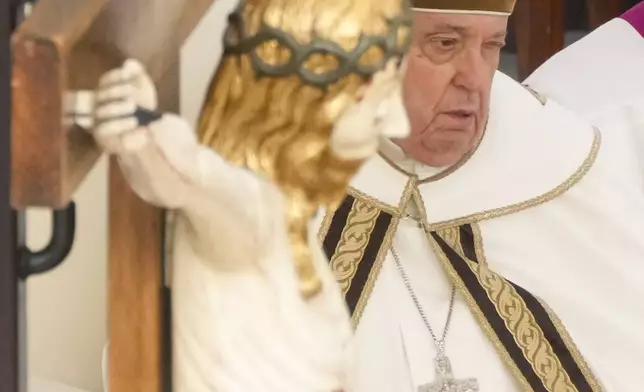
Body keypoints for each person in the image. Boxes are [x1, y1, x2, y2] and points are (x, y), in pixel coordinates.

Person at [76, 0, 412, 390]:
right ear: (309, 100)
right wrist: (138, 132)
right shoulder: (248, 213)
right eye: (380, 97)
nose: (397, 120)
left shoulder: (287, 212)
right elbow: (183, 174)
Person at [317, 0, 644, 391]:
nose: (474, 79)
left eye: (492, 46)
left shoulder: (561, 164)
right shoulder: (261, 189)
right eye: (444, 44)